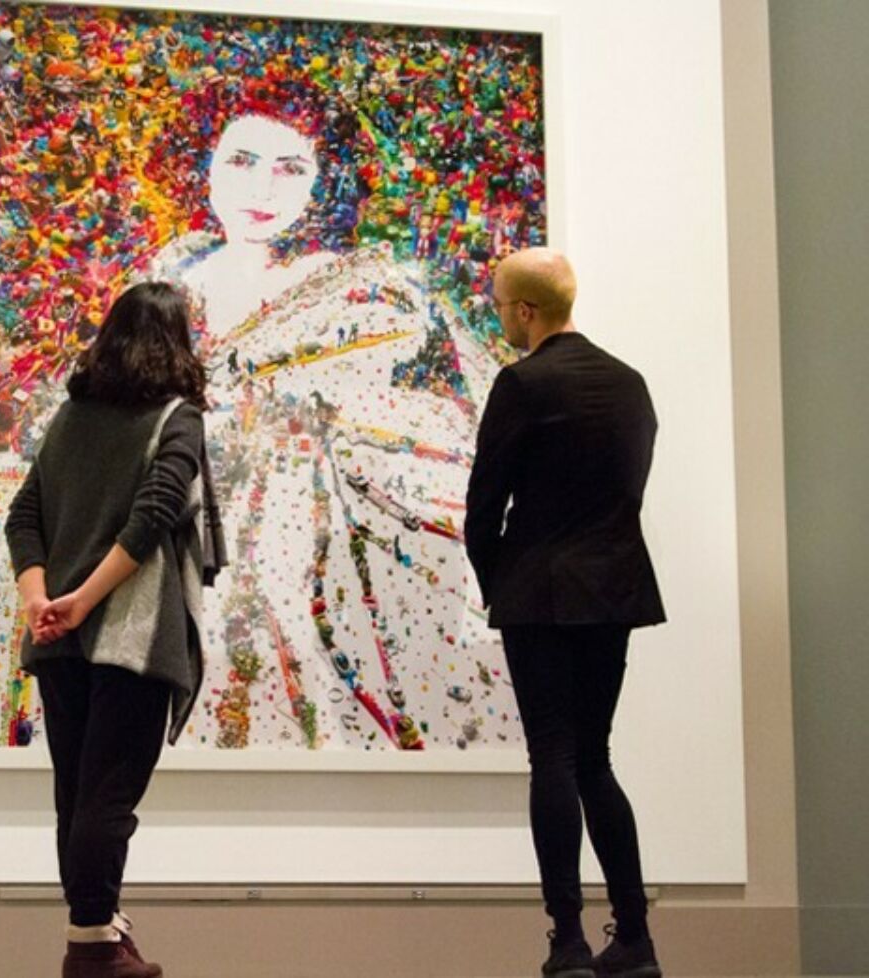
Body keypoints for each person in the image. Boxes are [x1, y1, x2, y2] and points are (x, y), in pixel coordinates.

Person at [144, 79, 514, 754]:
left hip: (302, 526)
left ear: (325, 183)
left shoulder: (365, 293)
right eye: (242, 162)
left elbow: (416, 412)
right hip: (174, 510)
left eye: (291, 169)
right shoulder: (173, 277)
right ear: (203, 165)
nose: (263, 191)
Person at [5, 281, 216, 978]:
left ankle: (96, 932)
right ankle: (93, 944)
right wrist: (85, 600)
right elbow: (155, 514)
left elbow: (22, 517)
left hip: (59, 639)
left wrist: (44, 601)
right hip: (130, 633)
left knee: (76, 795)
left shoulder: (71, 419)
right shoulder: (178, 418)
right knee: (107, 797)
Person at [465, 248, 665, 978]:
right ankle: (636, 936)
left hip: (540, 593)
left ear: (526, 310)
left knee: (550, 754)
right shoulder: (630, 384)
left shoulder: (521, 384)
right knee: (594, 758)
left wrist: (501, 583)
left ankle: (568, 941)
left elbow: (483, 508)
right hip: (613, 590)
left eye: (500, 305)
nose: (498, 316)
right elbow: (630, 491)